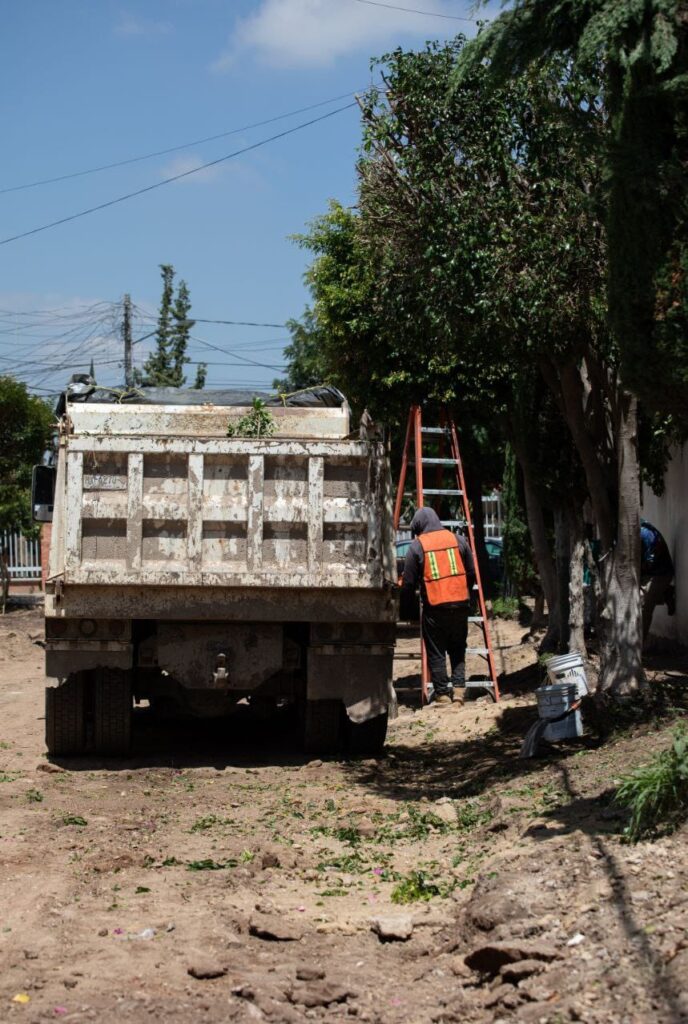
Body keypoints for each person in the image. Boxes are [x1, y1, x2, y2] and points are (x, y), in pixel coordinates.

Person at [401, 507, 475, 705]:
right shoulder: (459, 540)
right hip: (460, 604)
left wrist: (406, 612)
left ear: (419, 526)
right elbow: (471, 573)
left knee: (436, 651)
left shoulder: (417, 546)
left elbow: (408, 583)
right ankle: (459, 692)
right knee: (458, 649)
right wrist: (466, 595)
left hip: (435, 607)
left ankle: (442, 694)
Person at [640, 519, 675, 642]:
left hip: (659, 574)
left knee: (642, 605)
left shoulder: (646, 534)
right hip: (647, 574)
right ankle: (665, 593)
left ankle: (638, 646)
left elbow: (650, 562)